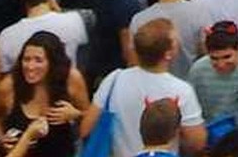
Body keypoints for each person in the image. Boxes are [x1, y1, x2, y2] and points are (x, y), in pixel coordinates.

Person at [78, 19, 206, 157]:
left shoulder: (114, 79)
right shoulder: (181, 91)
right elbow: (197, 142)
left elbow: (86, 128)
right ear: (168, 54)